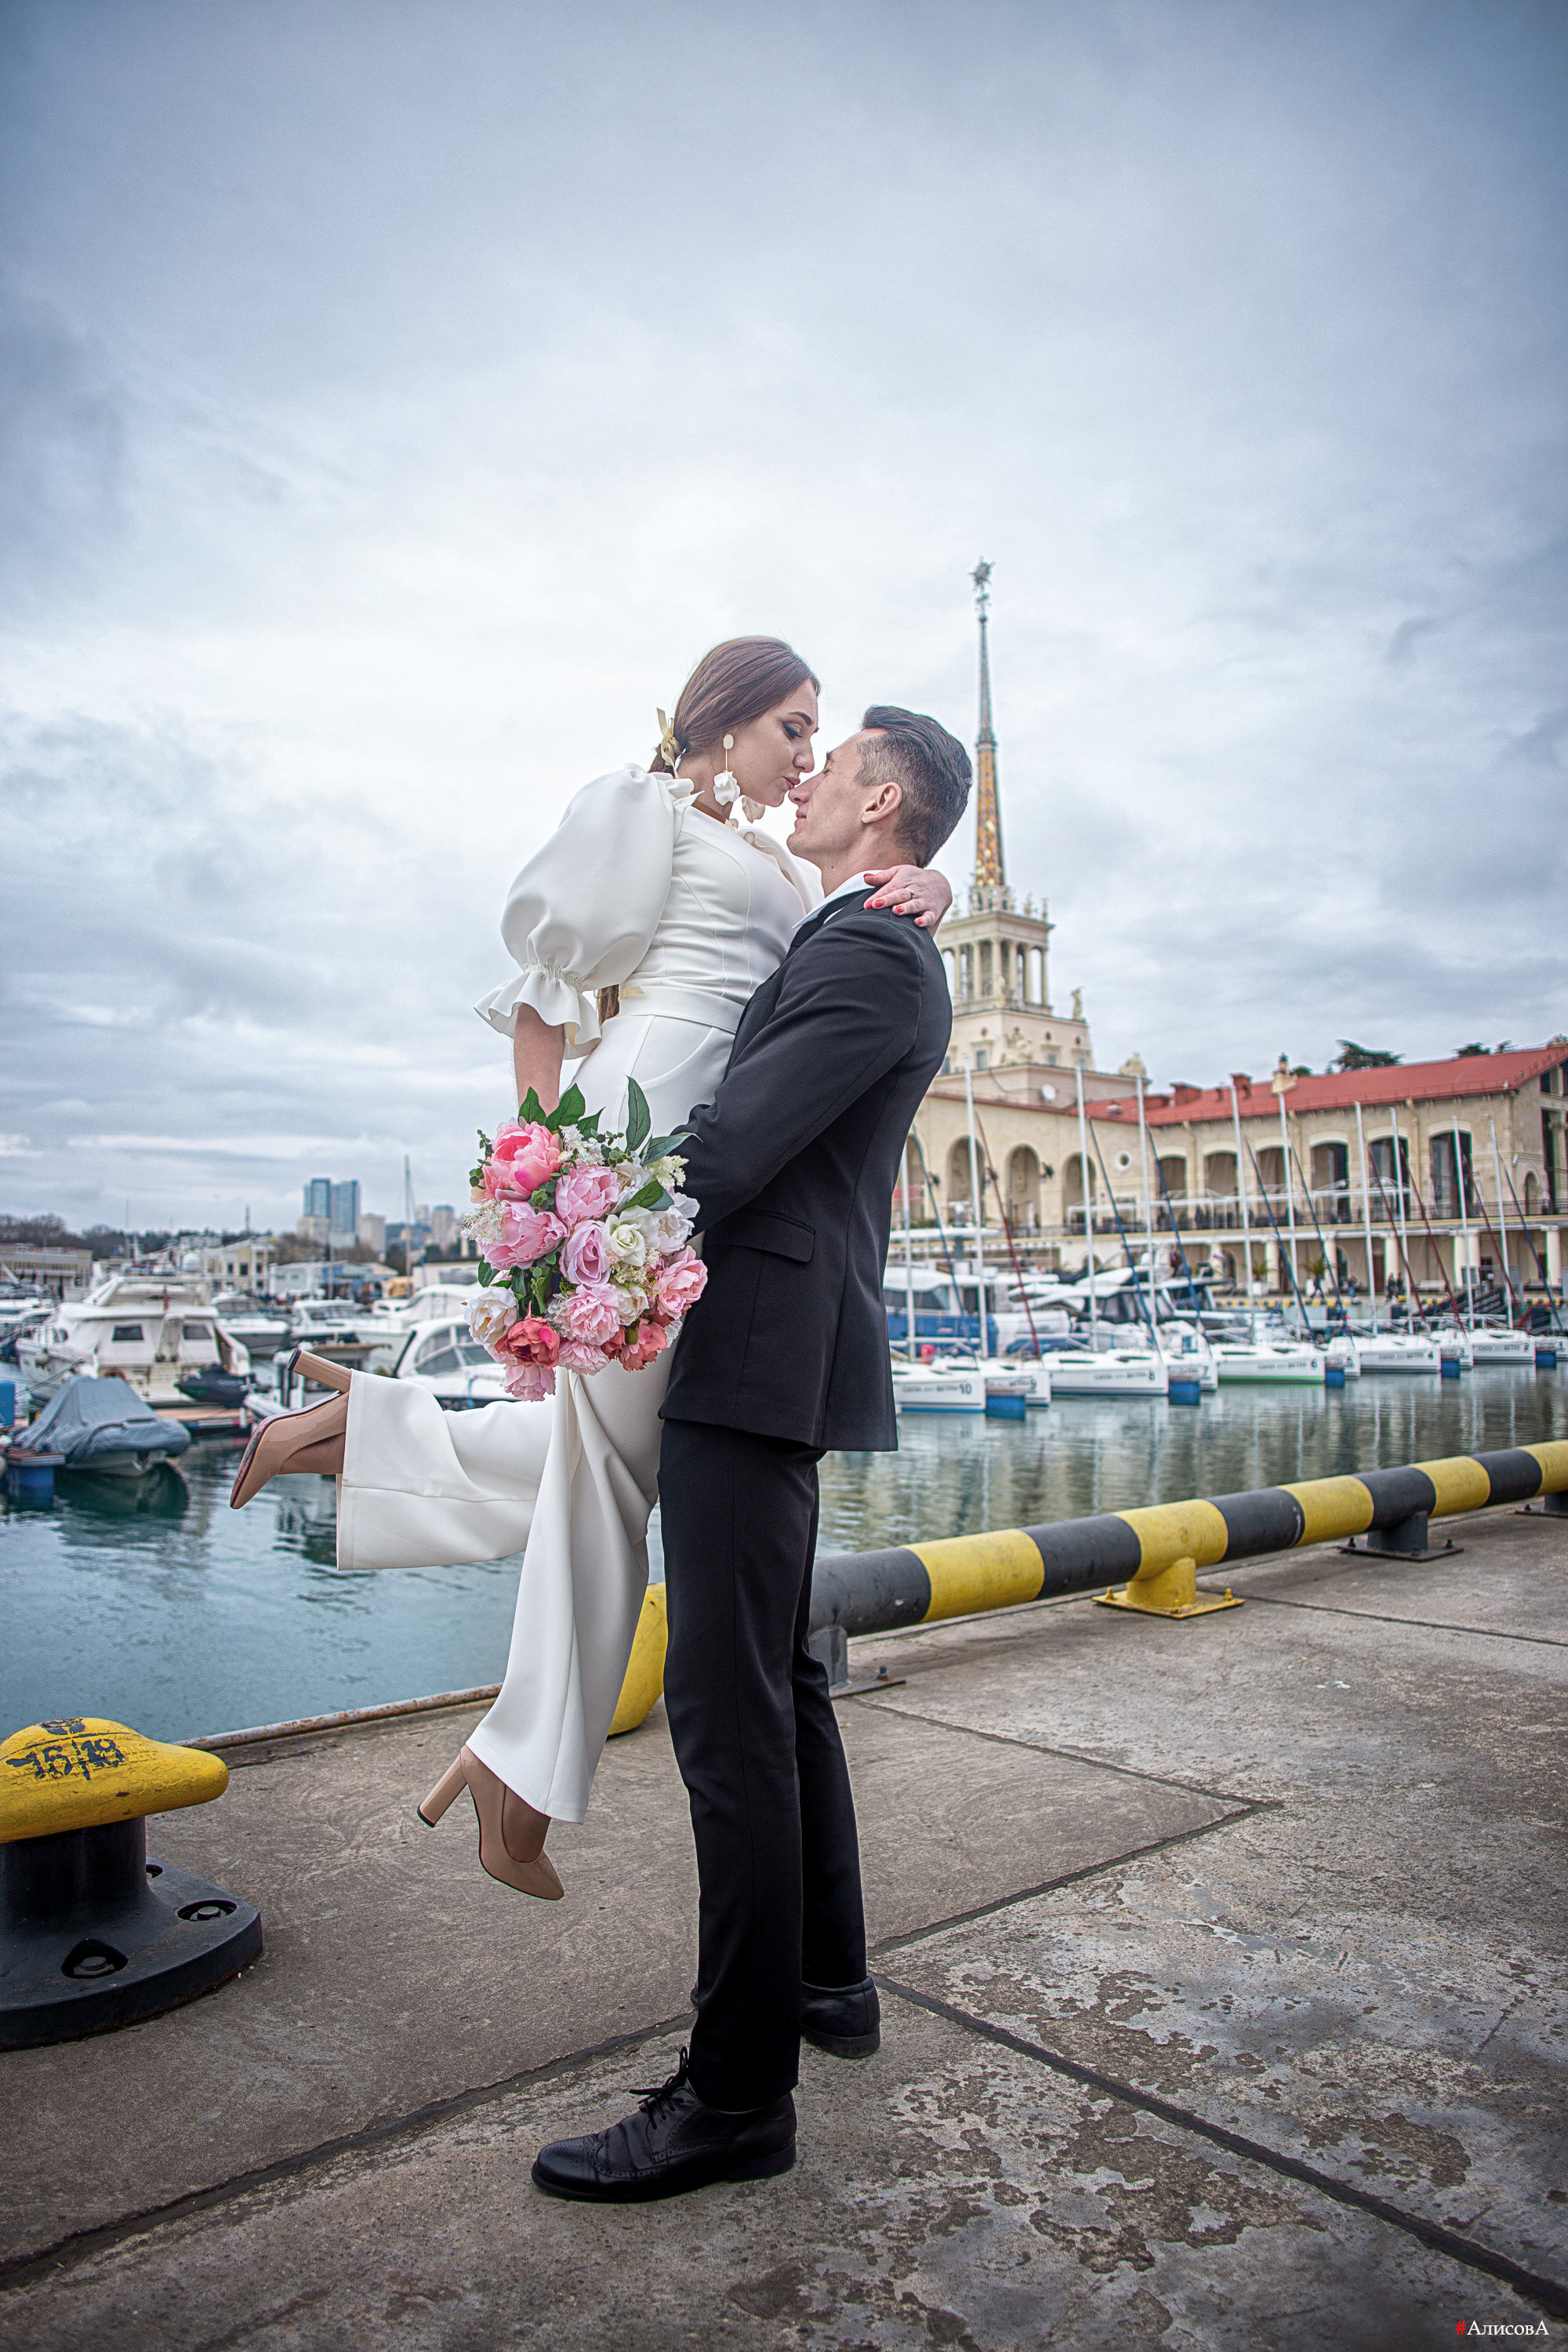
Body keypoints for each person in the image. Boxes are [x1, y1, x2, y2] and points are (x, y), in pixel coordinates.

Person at [230, 638, 950, 1899]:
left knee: (622, 1453)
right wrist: (543, 1166)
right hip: (653, 1131)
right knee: (619, 1467)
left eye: (820, 738)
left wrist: (927, 885)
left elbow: (841, 946)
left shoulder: (791, 865)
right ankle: (520, 1764)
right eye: (791, 726)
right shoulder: (641, 809)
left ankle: (361, 1440)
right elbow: (545, 989)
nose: (803, 755)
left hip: (715, 1148)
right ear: (721, 724)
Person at [532, 703, 971, 2202]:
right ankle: (830, 1981)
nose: (816, 774)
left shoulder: (867, 953)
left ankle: (733, 2099)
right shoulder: (877, 936)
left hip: (756, 1353)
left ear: (887, 795)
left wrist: (562, 1243)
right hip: (782, 1349)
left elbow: (729, 1147)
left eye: (837, 757)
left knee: (729, 1725)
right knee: (782, 1686)